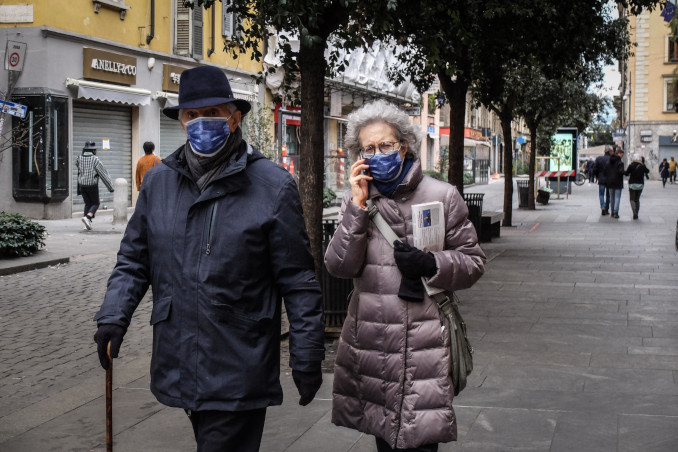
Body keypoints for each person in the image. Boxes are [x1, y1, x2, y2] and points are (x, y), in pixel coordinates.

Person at [92, 66, 325, 452]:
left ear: (234, 118)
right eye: (192, 115)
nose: (202, 123)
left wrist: (306, 354)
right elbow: (134, 259)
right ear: (182, 121)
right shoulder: (159, 182)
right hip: (180, 356)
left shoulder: (272, 186)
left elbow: (298, 280)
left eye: (213, 114)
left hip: (240, 360)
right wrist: (114, 316)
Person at [324, 100, 486, 451]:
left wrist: (432, 265)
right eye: (369, 148)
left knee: (422, 437)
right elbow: (339, 266)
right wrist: (356, 207)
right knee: (385, 437)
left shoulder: (443, 196)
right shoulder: (358, 201)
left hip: (425, 343)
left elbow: (473, 262)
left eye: (386, 145)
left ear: (404, 145)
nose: (378, 153)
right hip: (374, 343)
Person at [76, 140, 114, 230]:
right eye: (95, 149)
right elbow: (103, 174)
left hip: (82, 185)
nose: (96, 151)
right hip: (92, 185)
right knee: (96, 203)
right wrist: (110, 187)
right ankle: (88, 218)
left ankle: (87, 224)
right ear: (93, 150)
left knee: (87, 204)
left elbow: (78, 167)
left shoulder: (79, 158)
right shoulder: (95, 160)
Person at [624, 153, 650, 220]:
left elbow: (626, 173)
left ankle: (634, 212)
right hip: (640, 184)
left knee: (632, 199)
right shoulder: (642, 165)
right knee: (637, 199)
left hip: (632, 184)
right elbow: (648, 171)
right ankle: (637, 213)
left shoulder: (631, 165)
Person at [593, 145, 615, 215]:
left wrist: (597, 176)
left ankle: (602, 206)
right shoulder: (612, 159)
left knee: (601, 194)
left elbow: (595, 169)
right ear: (610, 151)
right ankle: (606, 209)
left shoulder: (599, 159)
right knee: (608, 195)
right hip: (609, 179)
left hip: (601, 178)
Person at [605, 148, 625, 219]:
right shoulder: (620, 163)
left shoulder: (608, 162)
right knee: (617, 197)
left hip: (610, 182)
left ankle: (612, 212)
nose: (622, 155)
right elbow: (621, 172)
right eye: (622, 154)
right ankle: (616, 212)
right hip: (618, 182)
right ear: (619, 153)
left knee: (611, 197)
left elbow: (605, 171)